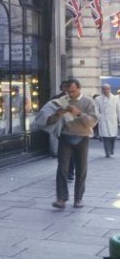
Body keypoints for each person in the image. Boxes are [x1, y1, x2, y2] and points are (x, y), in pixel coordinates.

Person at [47, 78, 97, 209]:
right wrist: (58, 113)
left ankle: (78, 198)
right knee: (62, 168)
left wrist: (78, 113)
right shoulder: (62, 101)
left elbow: (92, 122)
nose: (70, 94)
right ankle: (61, 198)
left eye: (72, 91)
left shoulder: (88, 102)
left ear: (79, 89)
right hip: (65, 136)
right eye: (67, 91)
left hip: (82, 137)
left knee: (81, 168)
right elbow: (50, 121)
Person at [95, 83, 120, 157]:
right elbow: (96, 110)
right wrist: (99, 117)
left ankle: (111, 149)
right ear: (102, 90)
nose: (106, 90)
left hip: (113, 119)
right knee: (105, 137)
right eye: (104, 89)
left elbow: (118, 110)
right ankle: (107, 152)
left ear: (110, 89)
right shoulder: (98, 99)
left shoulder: (115, 98)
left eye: (107, 89)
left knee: (113, 136)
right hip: (103, 120)